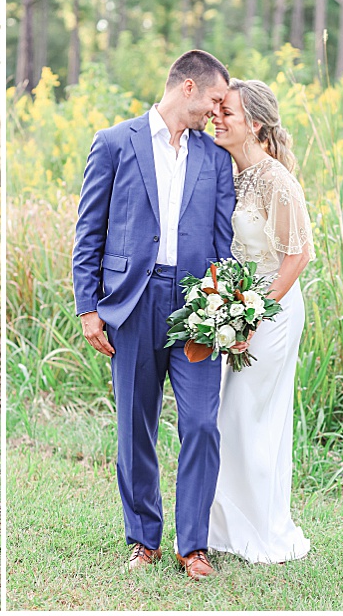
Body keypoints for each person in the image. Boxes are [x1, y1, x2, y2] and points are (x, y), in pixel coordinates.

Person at [72, 50, 236, 579]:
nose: (216, 111)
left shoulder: (213, 159)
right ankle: (144, 538)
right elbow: (89, 232)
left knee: (202, 424)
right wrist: (88, 309)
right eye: (213, 99)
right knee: (134, 426)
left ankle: (194, 545)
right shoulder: (114, 143)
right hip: (132, 303)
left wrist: (226, 311)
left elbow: (223, 244)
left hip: (196, 308)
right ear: (187, 87)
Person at [207, 78, 314, 563]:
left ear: (253, 124)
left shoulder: (275, 180)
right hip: (241, 307)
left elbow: (298, 256)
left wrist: (254, 312)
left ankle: (260, 531)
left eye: (226, 111)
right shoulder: (231, 175)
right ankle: (228, 528)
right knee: (233, 415)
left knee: (252, 414)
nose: (216, 116)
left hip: (273, 309)